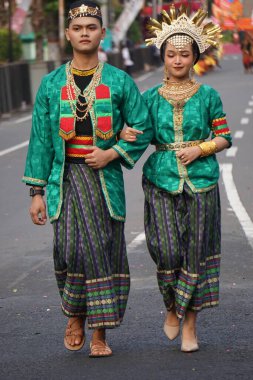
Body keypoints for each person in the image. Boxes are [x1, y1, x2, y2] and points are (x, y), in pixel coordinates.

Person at [23, 0, 152, 358]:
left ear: (102, 34)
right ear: (68, 34)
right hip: (62, 181)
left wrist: (112, 153)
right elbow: (41, 141)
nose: (84, 33)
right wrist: (36, 192)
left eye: (91, 28)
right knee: (66, 250)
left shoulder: (118, 81)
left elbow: (142, 126)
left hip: (103, 181)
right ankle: (75, 314)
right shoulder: (50, 85)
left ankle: (99, 332)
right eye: (78, 28)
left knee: (100, 251)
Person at [121, 5, 232, 352]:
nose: (178, 60)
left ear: (195, 56)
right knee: (166, 252)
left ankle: (190, 326)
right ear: (163, 57)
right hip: (161, 181)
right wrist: (121, 134)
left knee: (196, 254)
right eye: (171, 54)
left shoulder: (209, 96)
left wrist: (201, 149)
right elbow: (139, 134)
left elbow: (226, 136)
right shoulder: (150, 97)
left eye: (185, 54)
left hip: (202, 182)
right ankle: (172, 304)